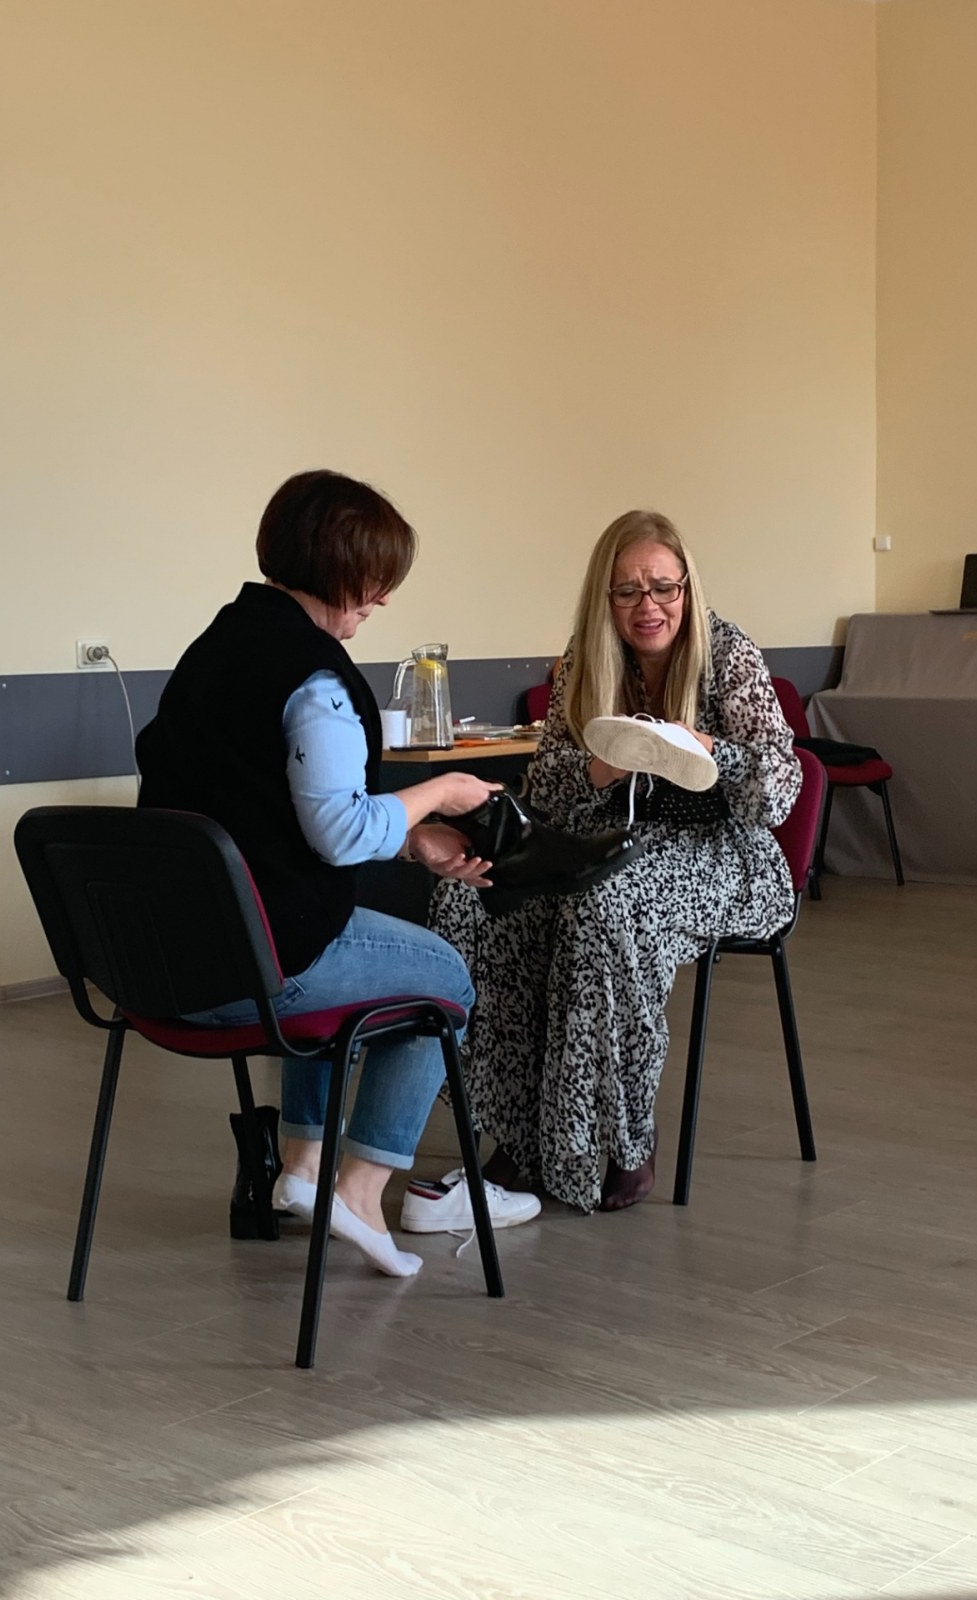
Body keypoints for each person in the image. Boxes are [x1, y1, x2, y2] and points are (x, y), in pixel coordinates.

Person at [135, 469, 540, 1279]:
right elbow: (342, 832)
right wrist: (441, 793)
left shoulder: (215, 649)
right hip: (249, 970)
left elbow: (272, 812)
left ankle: (304, 1168)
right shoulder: (315, 679)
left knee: (344, 959)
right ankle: (358, 1191)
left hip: (158, 963)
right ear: (341, 569)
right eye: (377, 579)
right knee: (445, 979)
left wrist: (415, 841)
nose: (383, 598)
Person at [430, 509, 801, 1214]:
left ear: (688, 587)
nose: (647, 606)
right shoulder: (587, 655)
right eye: (627, 591)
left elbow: (781, 789)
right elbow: (546, 786)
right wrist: (602, 768)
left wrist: (709, 751)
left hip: (724, 855)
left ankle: (621, 1138)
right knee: (476, 898)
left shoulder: (728, 654)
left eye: (663, 588)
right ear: (605, 596)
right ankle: (521, 1131)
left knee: (603, 903)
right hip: (609, 840)